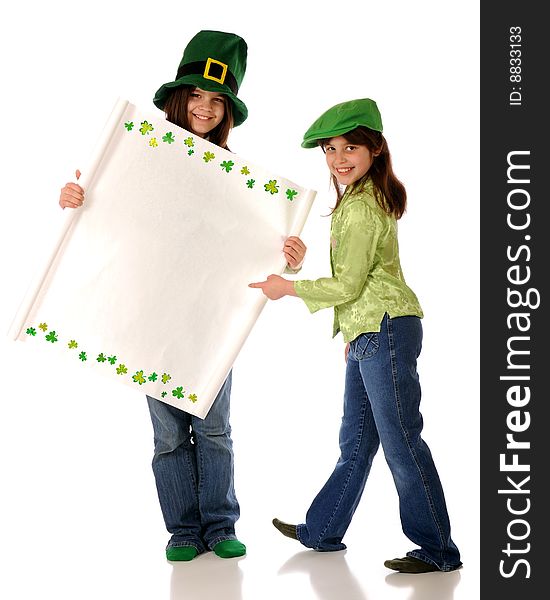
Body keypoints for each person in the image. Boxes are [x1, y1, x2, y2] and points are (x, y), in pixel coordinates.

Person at [58, 30, 307, 562]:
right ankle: (183, 529)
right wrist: (78, 197)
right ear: (179, 97)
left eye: (217, 101)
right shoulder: (137, 157)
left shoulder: (239, 183)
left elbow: (251, 247)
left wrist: (289, 253)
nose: (205, 107)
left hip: (210, 323)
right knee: (169, 434)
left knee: (214, 428)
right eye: (197, 95)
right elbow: (112, 220)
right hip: (153, 318)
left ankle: (219, 525)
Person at [249, 98, 462, 574]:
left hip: (385, 326)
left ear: (376, 149)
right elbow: (359, 284)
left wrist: (288, 287)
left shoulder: (363, 207)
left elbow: (347, 282)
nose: (338, 159)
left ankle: (438, 550)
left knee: (402, 439)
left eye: (349, 147)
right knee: (358, 438)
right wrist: (352, 326)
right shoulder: (353, 202)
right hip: (370, 328)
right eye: (329, 150)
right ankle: (323, 530)